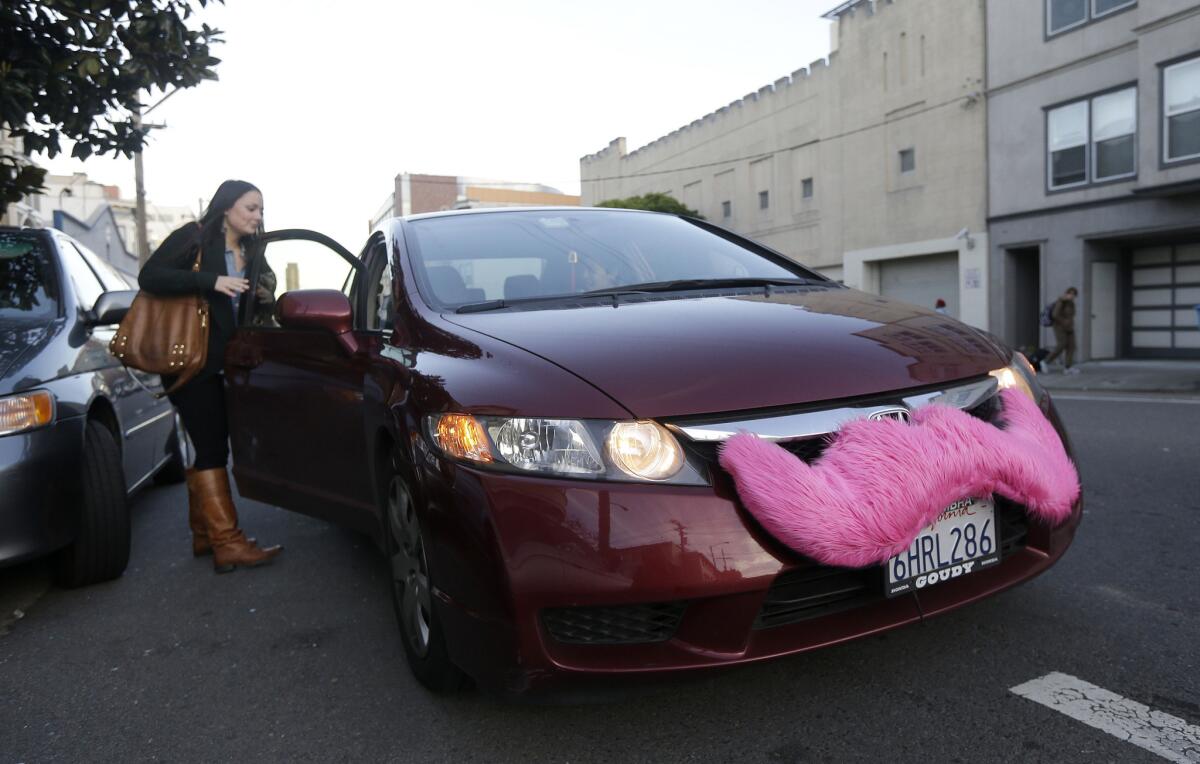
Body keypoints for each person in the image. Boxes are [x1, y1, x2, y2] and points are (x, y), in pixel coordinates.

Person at [139, 180, 282, 573]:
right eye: (250, 208)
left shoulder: (253, 248)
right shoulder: (193, 237)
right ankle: (227, 541)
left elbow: (266, 282)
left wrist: (265, 292)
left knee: (210, 444)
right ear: (226, 208)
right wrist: (210, 281)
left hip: (229, 362)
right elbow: (150, 277)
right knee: (212, 447)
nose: (256, 216)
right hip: (190, 361)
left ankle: (205, 534)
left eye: (260, 209)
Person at [1044, 286, 1080, 374]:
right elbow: (1055, 314)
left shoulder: (1071, 303)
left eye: (1073, 294)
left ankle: (1068, 367)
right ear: (1066, 293)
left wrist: (1069, 323)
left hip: (1069, 327)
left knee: (1071, 346)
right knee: (1061, 345)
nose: (1071, 296)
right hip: (1059, 327)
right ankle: (1045, 361)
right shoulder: (1061, 301)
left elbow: (1071, 316)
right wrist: (1064, 322)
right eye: (1070, 293)